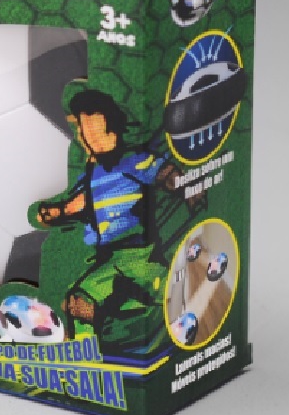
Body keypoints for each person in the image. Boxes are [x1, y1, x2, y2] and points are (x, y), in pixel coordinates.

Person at [36, 89, 197, 355]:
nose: (90, 140)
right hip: (108, 260)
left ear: (114, 129)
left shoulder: (134, 161)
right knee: (79, 302)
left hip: (140, 256)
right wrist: (54, 212)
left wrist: (186, 188)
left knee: (171, 293)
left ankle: (183, 327)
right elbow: (77, 204)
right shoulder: (90, 176)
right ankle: (85, 359)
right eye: (85, 133)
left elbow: (165, 173)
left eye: (97, 133)